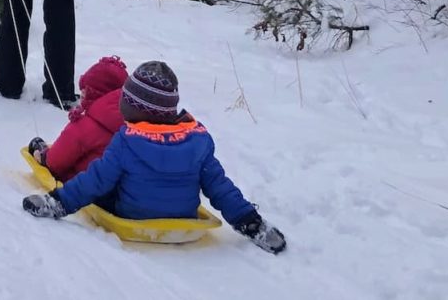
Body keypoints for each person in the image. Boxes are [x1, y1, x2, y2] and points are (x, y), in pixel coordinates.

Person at [21, 61, 288, 255]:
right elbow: (220, 187)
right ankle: (253, 226)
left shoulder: (127, 140)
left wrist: (56, 203)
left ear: (133, 107)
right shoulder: (196, 138)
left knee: (104, 175)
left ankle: (57, 198)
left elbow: (95, 181)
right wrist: (250, 221)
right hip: (184, 214)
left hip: (131, 213)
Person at [28, 56, 128, 181]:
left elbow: (56, 162)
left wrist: (44, 157)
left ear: (93, 94)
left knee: (38, 146)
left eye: (85, 91)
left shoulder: (86, 124)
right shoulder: (132, 123)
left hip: (80, 184)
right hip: (114, 189)